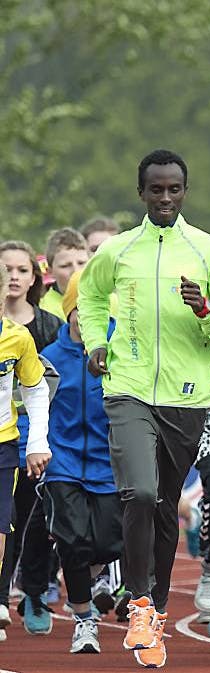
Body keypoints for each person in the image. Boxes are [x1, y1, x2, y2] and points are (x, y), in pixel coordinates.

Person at [77, 149, 210, 668]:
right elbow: (89, 298)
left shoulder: (207, 251)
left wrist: (205, 309)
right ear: (141, 193)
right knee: (141, 490)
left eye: (174, 189)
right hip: (127, 387)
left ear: (185, 191)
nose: (165, 198)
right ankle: (141, 603)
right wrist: (94, 344)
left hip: (187, 394)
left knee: (164, 504)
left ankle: (155, 602)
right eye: (156, 189)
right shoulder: (118, 249)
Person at [39, 271, 124, 654]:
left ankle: (96, 572)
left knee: (107, 542)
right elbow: (33, 406)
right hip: (63, 461)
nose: (86, 317)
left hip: (109, 463)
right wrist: (34, 446)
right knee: (72, 541)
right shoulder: (50, 358)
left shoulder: (121, 347)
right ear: (70, 309)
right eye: (80, 308)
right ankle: (84, 620)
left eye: (96, 308)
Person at [0, 240, 62, 637]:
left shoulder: (19, 336)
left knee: (4, 528)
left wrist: (38, 440)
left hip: (7, 441)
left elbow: (38, 388)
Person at [39, 228, 90, 320]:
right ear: (50, 271)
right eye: (65, 266)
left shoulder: (111, 300)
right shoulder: (45, 312)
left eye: (82, 263)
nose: (76, 271)